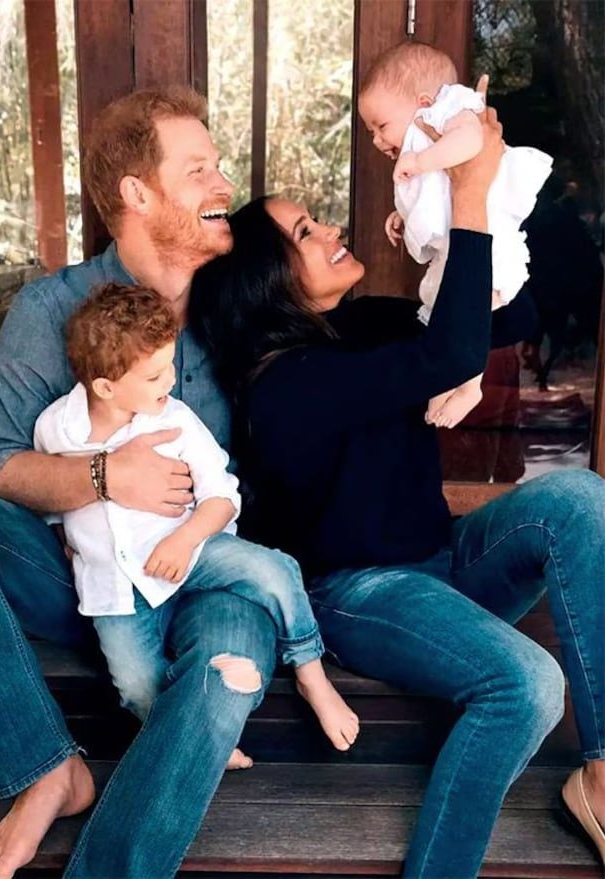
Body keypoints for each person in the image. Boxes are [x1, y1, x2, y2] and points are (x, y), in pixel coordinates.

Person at [190, 98, 605, 876]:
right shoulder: (283, 384)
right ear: (265, 281)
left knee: (581, 500)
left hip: (444, 561)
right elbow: (447, 356)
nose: (331, 231)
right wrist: (472, 189)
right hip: (361, 594)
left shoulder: (365, 324)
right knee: (526, 684)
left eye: (318, 220)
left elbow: (513, 315)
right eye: (305, 233)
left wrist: (449, 235)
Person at [0, 86, 300, 879]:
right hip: (84, 575)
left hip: (211, 566)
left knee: (224, 673)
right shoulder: (52, 309)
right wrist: (104, 474)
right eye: (198, 171)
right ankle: (48, 768)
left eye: (217, 166)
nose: (223, 185)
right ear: (137, 193)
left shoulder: (239, 303)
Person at [34, 282, 358, 750]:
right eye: (153, 376)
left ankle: (311, 673)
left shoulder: (176, 419)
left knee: (275, 570)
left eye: (170, 365)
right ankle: (191, 738)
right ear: (105, 386)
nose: (169, 381)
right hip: (116, 588)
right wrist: (65, 534)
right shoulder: (56, 428)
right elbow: (53, 496)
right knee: (134, 683)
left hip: (194, 546)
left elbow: (223, 496)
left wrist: (184, 540)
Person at [358, 41, 552, 429]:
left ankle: (470, 383)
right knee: (440, 307)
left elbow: (471, 143)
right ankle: (449, 379)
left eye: (381, 126)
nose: (378, 141)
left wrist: (420, 160)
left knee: (471, 308)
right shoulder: (425, 142)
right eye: (370, 132)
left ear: (424, 101)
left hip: (490, 238)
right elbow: (439, 195)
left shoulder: (452, 111)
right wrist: (402, 214)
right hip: (460, 241)